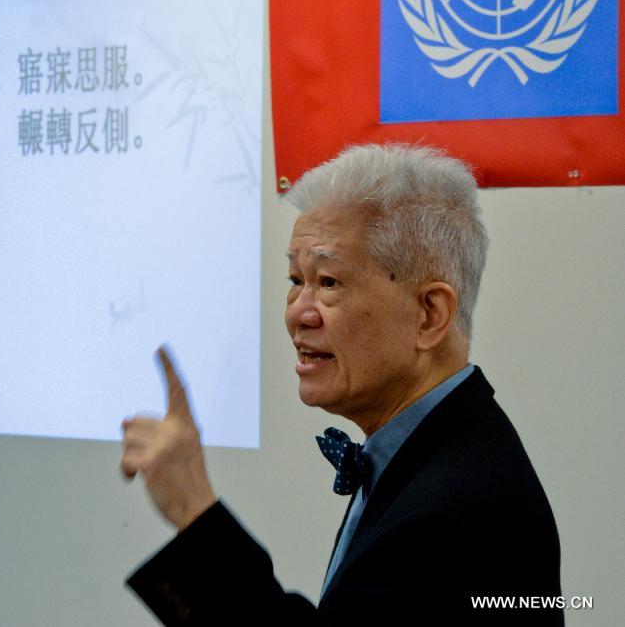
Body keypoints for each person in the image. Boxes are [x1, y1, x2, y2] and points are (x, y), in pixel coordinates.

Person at [121, 143, 563, 624]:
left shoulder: (450, 511)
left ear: (429, 314)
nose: (297, 312)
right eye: (296, 279)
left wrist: (193, 506)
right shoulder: (441, 446)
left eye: (328, 282)